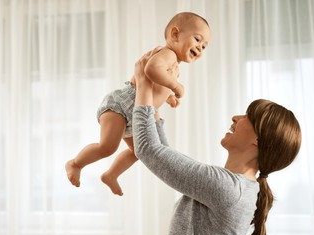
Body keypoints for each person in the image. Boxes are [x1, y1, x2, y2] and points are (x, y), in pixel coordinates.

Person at [132, 49, 302, 235]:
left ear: (257, 140)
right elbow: (162, 155)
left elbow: (148, 150)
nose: (236, 118)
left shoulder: (228, 188)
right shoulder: (235, 187)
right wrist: (154, 101)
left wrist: (143, 82)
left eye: (247, 116)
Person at [65, 12, 210, 195]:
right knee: (107, 147)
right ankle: (75, 163)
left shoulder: (175, 66)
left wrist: (169, 97)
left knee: (140, 152)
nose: (200, 48)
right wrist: (174, 85)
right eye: (197, 39)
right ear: (175, 35)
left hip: (136, 115)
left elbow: (156, 86)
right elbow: (151, 70)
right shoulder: (167, 54)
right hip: (122, 105)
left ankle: (111, 175)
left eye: (204, 46)